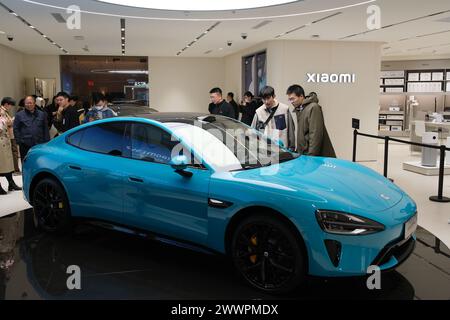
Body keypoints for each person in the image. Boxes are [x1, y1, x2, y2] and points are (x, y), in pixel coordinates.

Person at [286, 85, 336, 157]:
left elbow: (315, 134)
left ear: (301, 96)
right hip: (304, 154)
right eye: (289, 99)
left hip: (313, 156)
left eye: (293, 99)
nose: (291, 102)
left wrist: (311, 156)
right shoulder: (300, 109)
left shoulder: (313, 107)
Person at [13, 96, 50, 162]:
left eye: (30, 103)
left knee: (39, 161)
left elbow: (45, 128)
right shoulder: (19, 115)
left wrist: (47, 142)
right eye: (27, 103)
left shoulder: (42, 114)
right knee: (26, 162)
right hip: (25, 144)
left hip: (39, 144)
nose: (29, 105)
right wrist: (19, 141)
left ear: (34, 103)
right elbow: (16, 128)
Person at [0, 101, 22, 194]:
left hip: (5, 139)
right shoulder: (2, 112)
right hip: (1, 141)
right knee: (2, 164)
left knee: (7, 164)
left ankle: (11, 183)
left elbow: (6, 123)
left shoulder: (2, 112)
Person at [1, 98, 20, 174]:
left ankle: (14, 168)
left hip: (10, 135)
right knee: (13, 152)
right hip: (7, 136)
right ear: (6, 104)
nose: (11, 108)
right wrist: (12, 120)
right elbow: (5, 123)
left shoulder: (5, 112)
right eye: (10, 106)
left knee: (13, 152)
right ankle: (14, 169)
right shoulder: (2, 112)